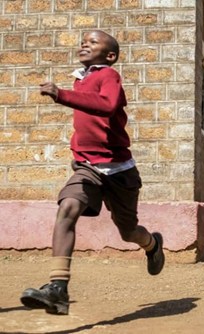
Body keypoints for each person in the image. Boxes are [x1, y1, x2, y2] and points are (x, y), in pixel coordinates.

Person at [20, 30, 165, 315]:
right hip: (87, 166)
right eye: (82, 40)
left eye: (92, 41)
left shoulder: (108, 76)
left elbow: (109, 106)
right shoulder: (81, 78)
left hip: (120, 169)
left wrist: (62, 95)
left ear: (110, 55)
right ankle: (58, 288)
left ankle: (152, 244)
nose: (84, 43)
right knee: (67, 207)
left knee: (128, 232)